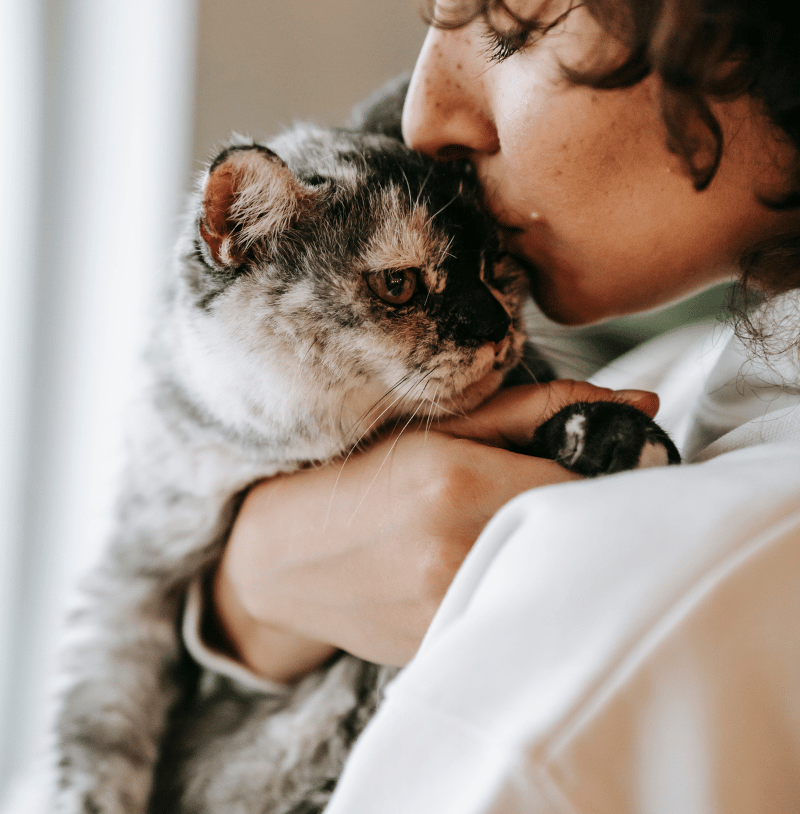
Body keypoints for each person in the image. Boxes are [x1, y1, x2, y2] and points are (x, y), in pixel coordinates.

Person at [192, 0, 800, 811]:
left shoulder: (657, 617)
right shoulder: (693, 373)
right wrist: (259, 596)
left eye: (510, 26)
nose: (422, 119)